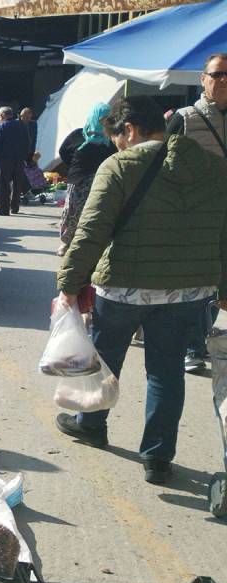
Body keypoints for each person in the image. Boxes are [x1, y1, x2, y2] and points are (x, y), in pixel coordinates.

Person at [55, 96, 227, 486]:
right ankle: (158, 457)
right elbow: (224, 232)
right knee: (166, 372)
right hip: (188, 292)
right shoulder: (213, 167)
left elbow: (92, 230)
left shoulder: (119, 164)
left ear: (129, 130)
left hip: (122, 290)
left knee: (105, 360)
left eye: (116, 137)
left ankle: (92, 424)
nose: (116, 144)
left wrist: (69, 283)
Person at [168, 53, 227, 372]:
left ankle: (197, 339)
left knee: (219, 284)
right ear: (202, 79)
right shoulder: (185, 117)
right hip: (194, 216)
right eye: (217, 74)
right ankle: (191, 345)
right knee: (199, 282)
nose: (223, 80)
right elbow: (166, 166)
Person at [56, 103, 116, 257]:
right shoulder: (78, 135)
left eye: (107, 118)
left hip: (102, 181)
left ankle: (89, 245)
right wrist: (73, 166)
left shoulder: (112, 137)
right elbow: (64, 152)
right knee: (73, 212)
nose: (104, 121)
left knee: (96, 214)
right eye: (101, 118)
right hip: (79, 180)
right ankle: (66, 242)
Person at [0, 106, 32, 216]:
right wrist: (26, 158)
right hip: (19, 160)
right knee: (17, 184)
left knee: (3, 185)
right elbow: (28, 143)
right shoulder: (23, 126)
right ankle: (15, 207)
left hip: (4, 161)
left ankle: (3, 209)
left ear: (2, 115)